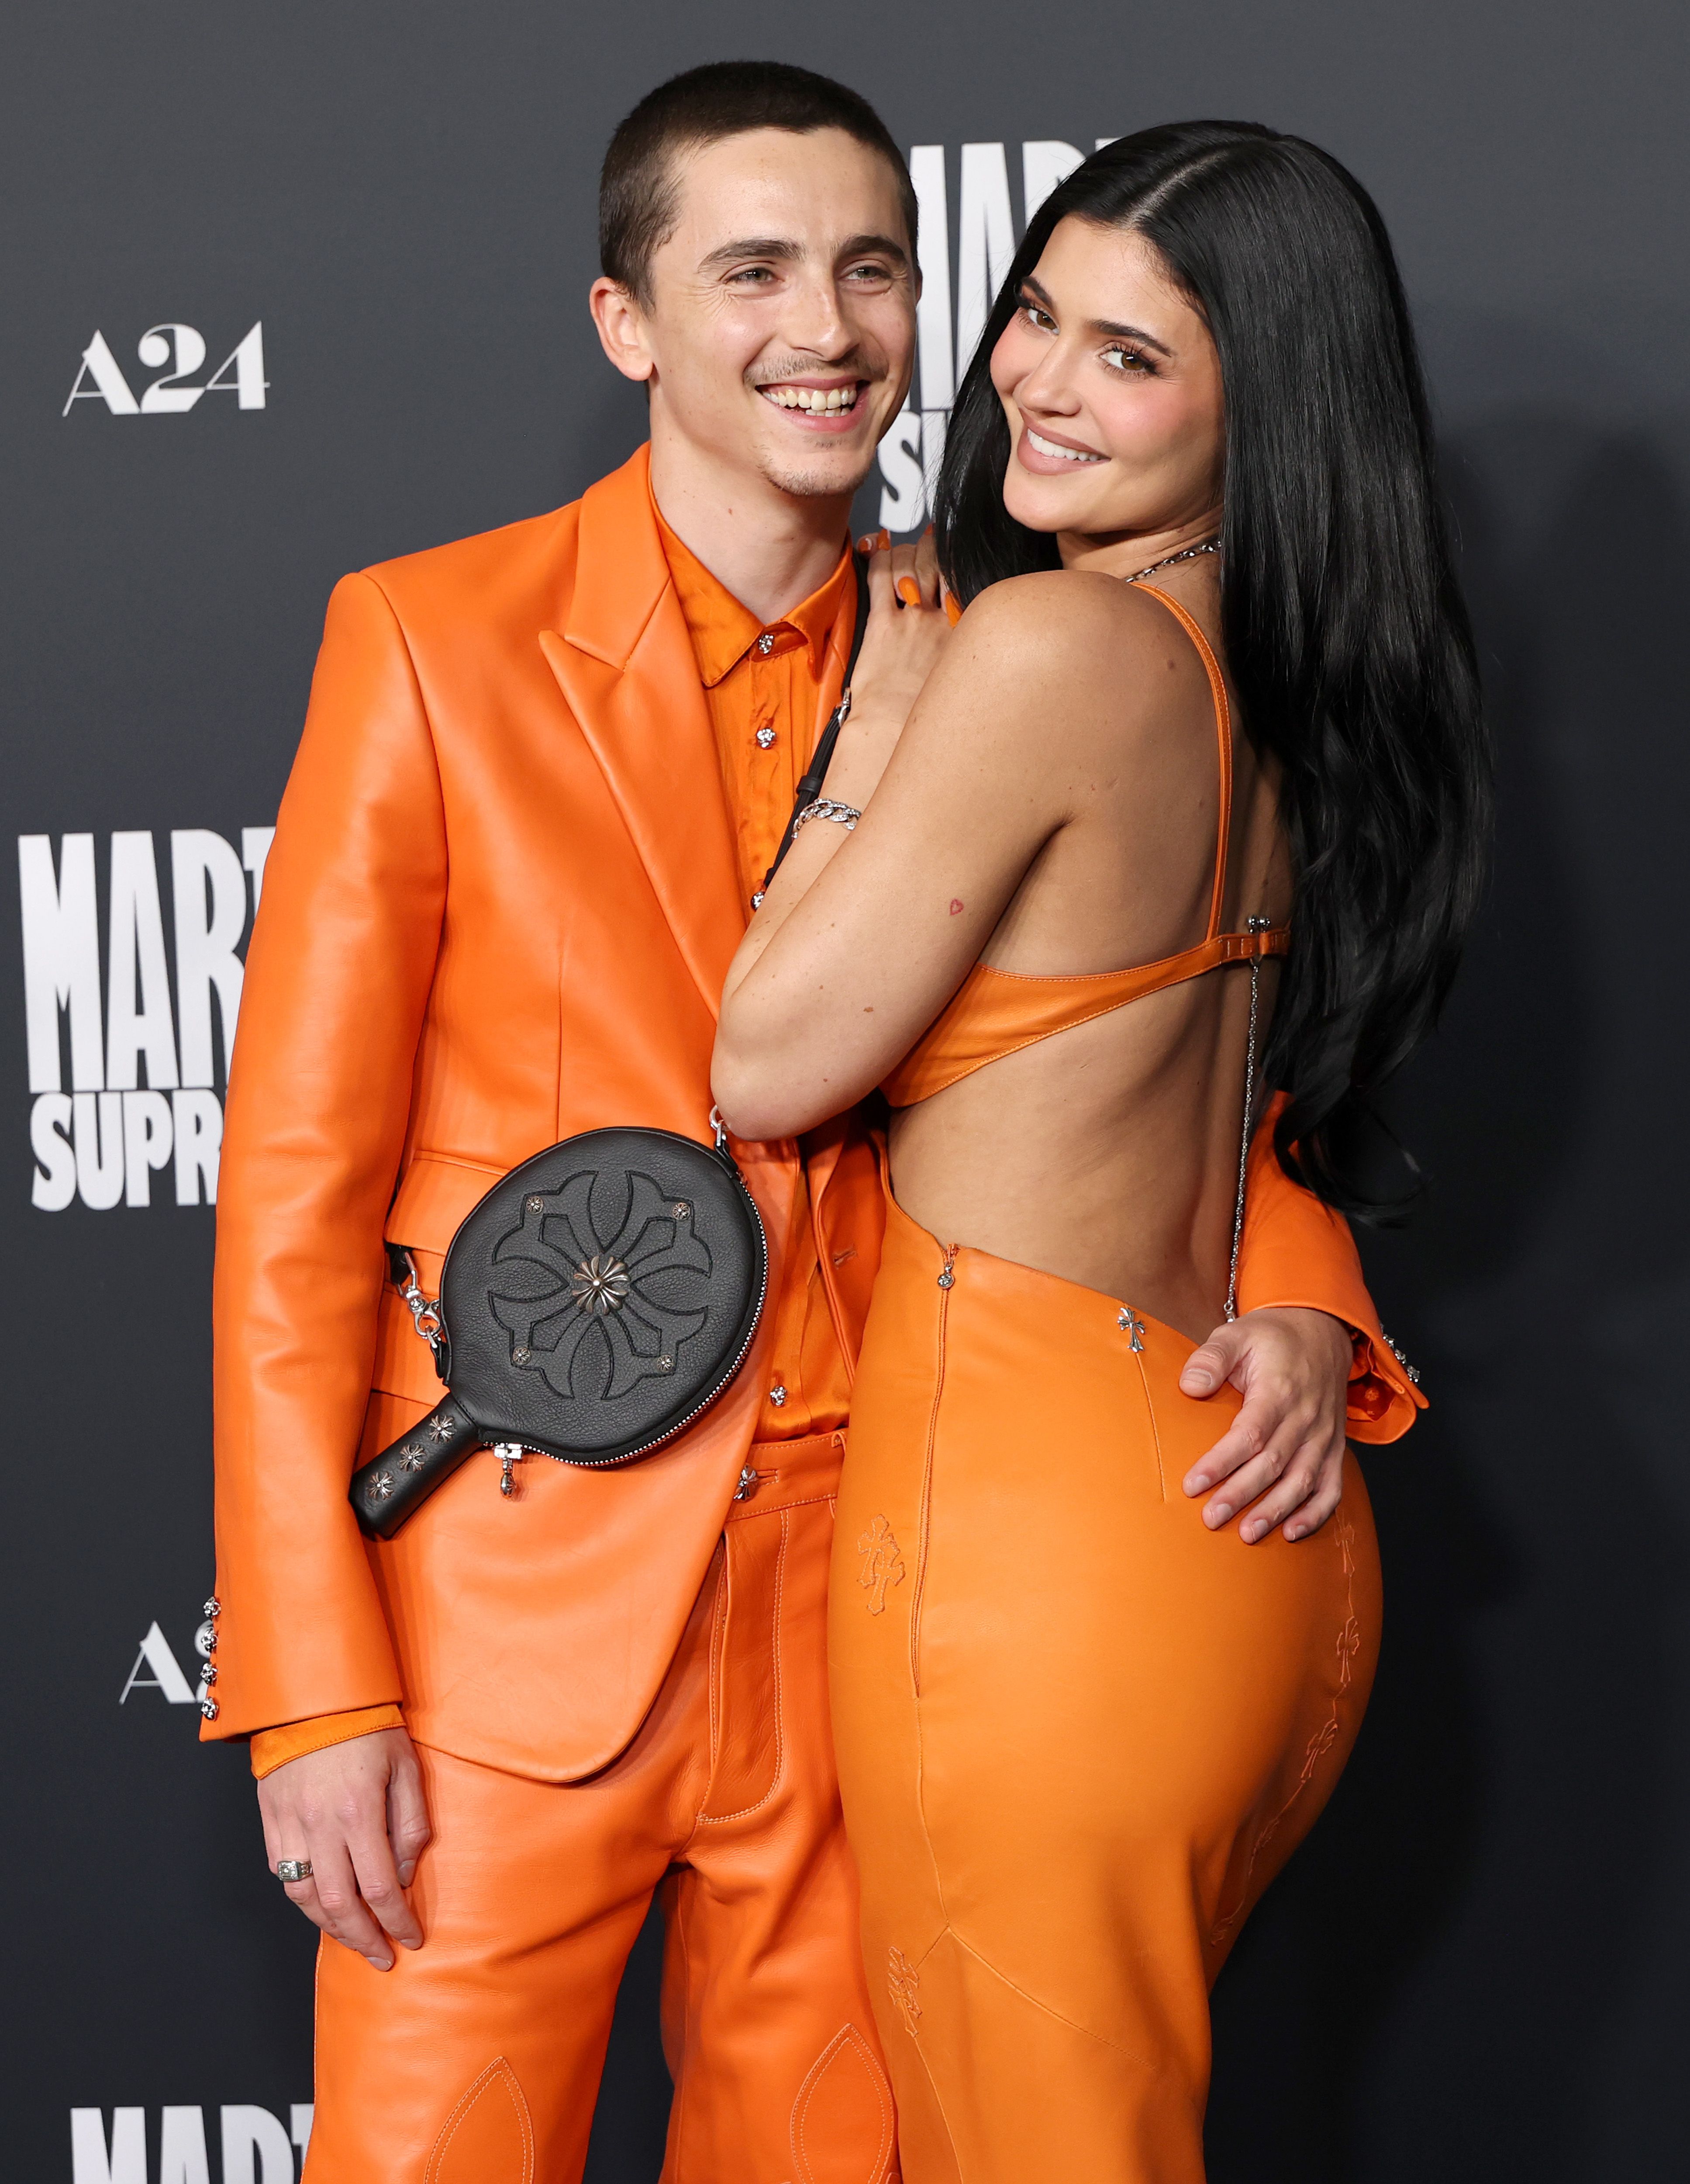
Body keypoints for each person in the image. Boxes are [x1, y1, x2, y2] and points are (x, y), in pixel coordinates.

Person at [205, 68, 1421, 2184]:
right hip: (509, 1623)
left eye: (873, 267)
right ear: (626, 323)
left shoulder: (1010, 635)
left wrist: (1303, 1303)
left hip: (882, 1618)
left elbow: (1179, 1048)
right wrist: (313, 1690)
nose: (828, 327)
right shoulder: (428, 642)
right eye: (750, 269)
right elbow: (290, 1206)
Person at [714, 119, 1486, 2182]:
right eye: (1034, 316)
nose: (1038, 385)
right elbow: (1248, 1118)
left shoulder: (1051, 649)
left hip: (1029, 1554)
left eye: (1128, 357)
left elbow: (768, 1056)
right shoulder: (1288, 698)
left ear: (1267, 410)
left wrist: (883, 722)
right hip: (1240, 1553)